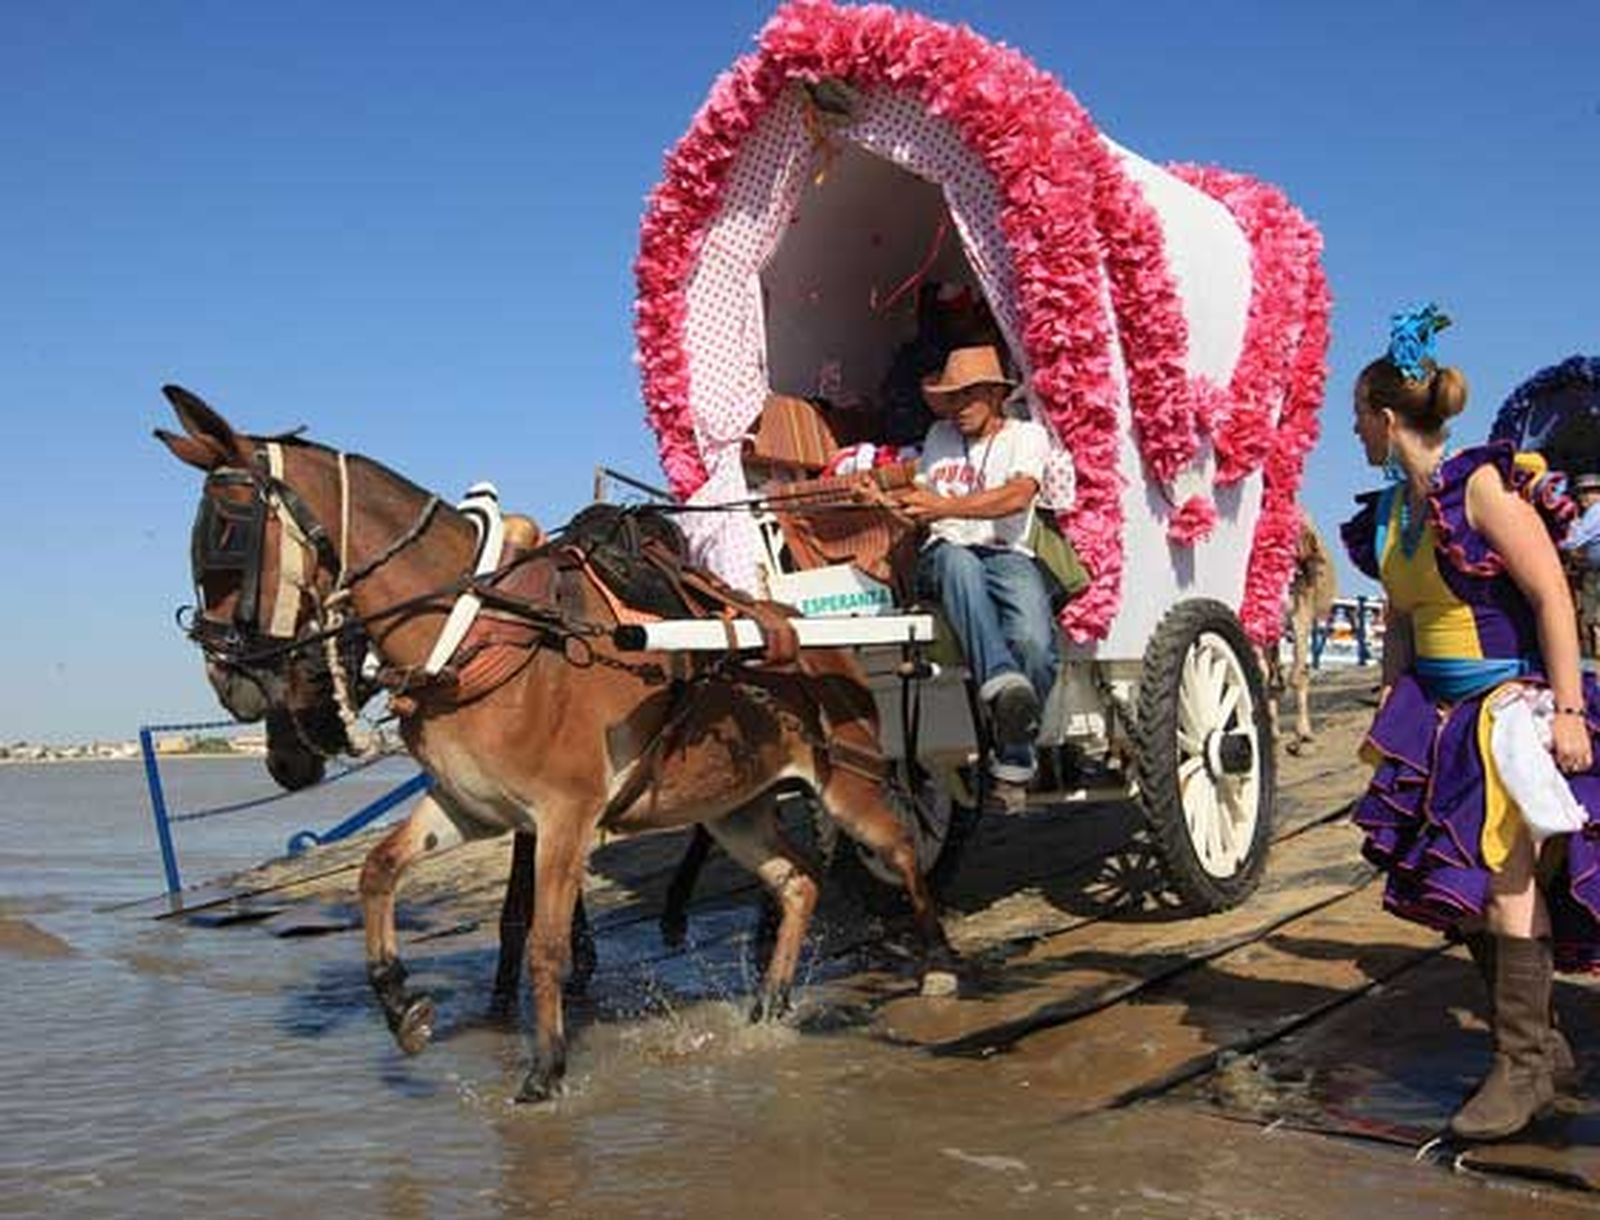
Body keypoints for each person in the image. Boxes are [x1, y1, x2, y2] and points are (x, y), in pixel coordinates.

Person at [1341, 305, 1600, 1142]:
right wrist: (1390, 694)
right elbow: (1404, 617)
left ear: (1385, 418)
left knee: (1507, 879)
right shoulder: (1390, 515)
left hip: (1512, 710)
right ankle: (1545, 1046)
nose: (1352, 433)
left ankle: (1521, 1066)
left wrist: (1566, 712)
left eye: (1356, 419)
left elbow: (1552, 595)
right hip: (1440, 716)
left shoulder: (1481, 487)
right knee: (1455, 891)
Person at [897, 345, 1058, 808]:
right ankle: (1002, 679)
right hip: (945, 556)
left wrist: (943, 506)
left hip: (1008, 552)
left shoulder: (1027, 436)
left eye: (969, 396)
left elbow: (1017, 496)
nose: (958, 407)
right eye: (952, 397)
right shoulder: (938, 436)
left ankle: (1014, 756)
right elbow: (923, 507)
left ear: (994, 396)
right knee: (956, 559)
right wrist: (899, 505)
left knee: (1034, 642)